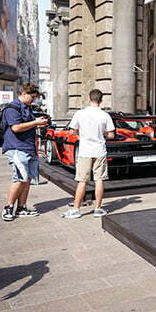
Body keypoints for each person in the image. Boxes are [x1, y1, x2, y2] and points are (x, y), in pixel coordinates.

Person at [61, 89, 115, 219]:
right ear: (101, 100)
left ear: (89, 99)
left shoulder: (80, 113)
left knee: (82, 181)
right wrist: (102, 134)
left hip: (85, 151)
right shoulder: (105, 115)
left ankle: (75, 209)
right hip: (100, 150)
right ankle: (98, 208)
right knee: (99, 180)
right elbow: (111, 134)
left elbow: (72, 131)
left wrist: (82, 135)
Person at [1, 83, 48, 221]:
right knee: (20, 178)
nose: (33, 99)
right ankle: (8, 207)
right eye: (32, 97)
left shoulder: (27, 107)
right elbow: (15, 128)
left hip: (29, 148)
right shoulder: (12, 108)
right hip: (17, 148)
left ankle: (21, 207)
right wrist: (35, 123)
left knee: (27, 179)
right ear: (23, 93)